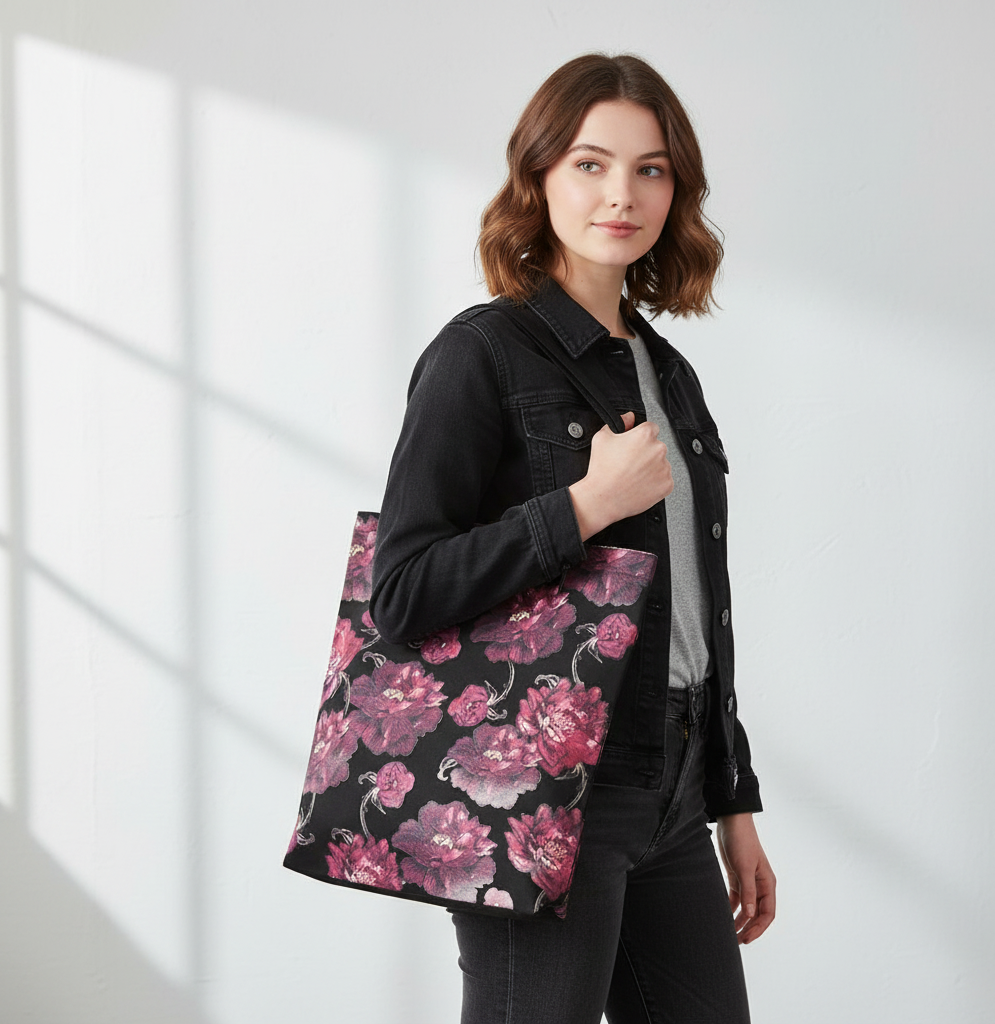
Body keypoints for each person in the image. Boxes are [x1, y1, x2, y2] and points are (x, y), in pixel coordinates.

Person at [369, 52, 776, 1024]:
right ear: (539, 174)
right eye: (591, 164)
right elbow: (403, 591)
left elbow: (696, 610)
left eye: (650, 169)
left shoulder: (667, 375)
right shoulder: (479, 355)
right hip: (545, 788)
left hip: (672, 787)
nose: (620, 194)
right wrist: (581, 507)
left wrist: (732, 800)